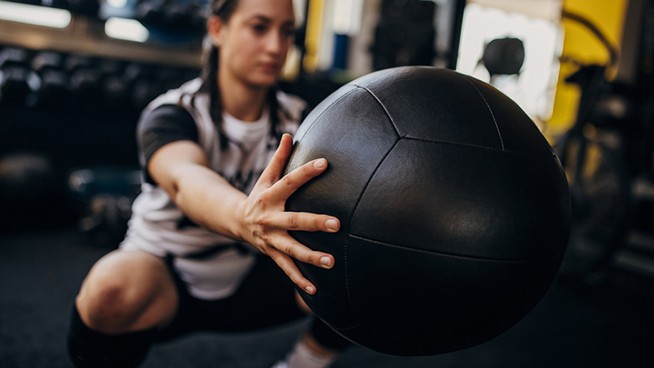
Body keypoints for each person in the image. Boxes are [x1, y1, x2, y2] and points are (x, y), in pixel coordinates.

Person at [66, 0, 351, 366]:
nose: (276, 47)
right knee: (111, 288)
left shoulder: (304, 120)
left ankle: (303, 363)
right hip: (167, 278)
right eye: (259, 27)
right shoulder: (173, 113)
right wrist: (245, 216)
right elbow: (186, 180)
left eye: (286, 32)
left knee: (362, 262)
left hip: (257, 278)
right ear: (217, 29)